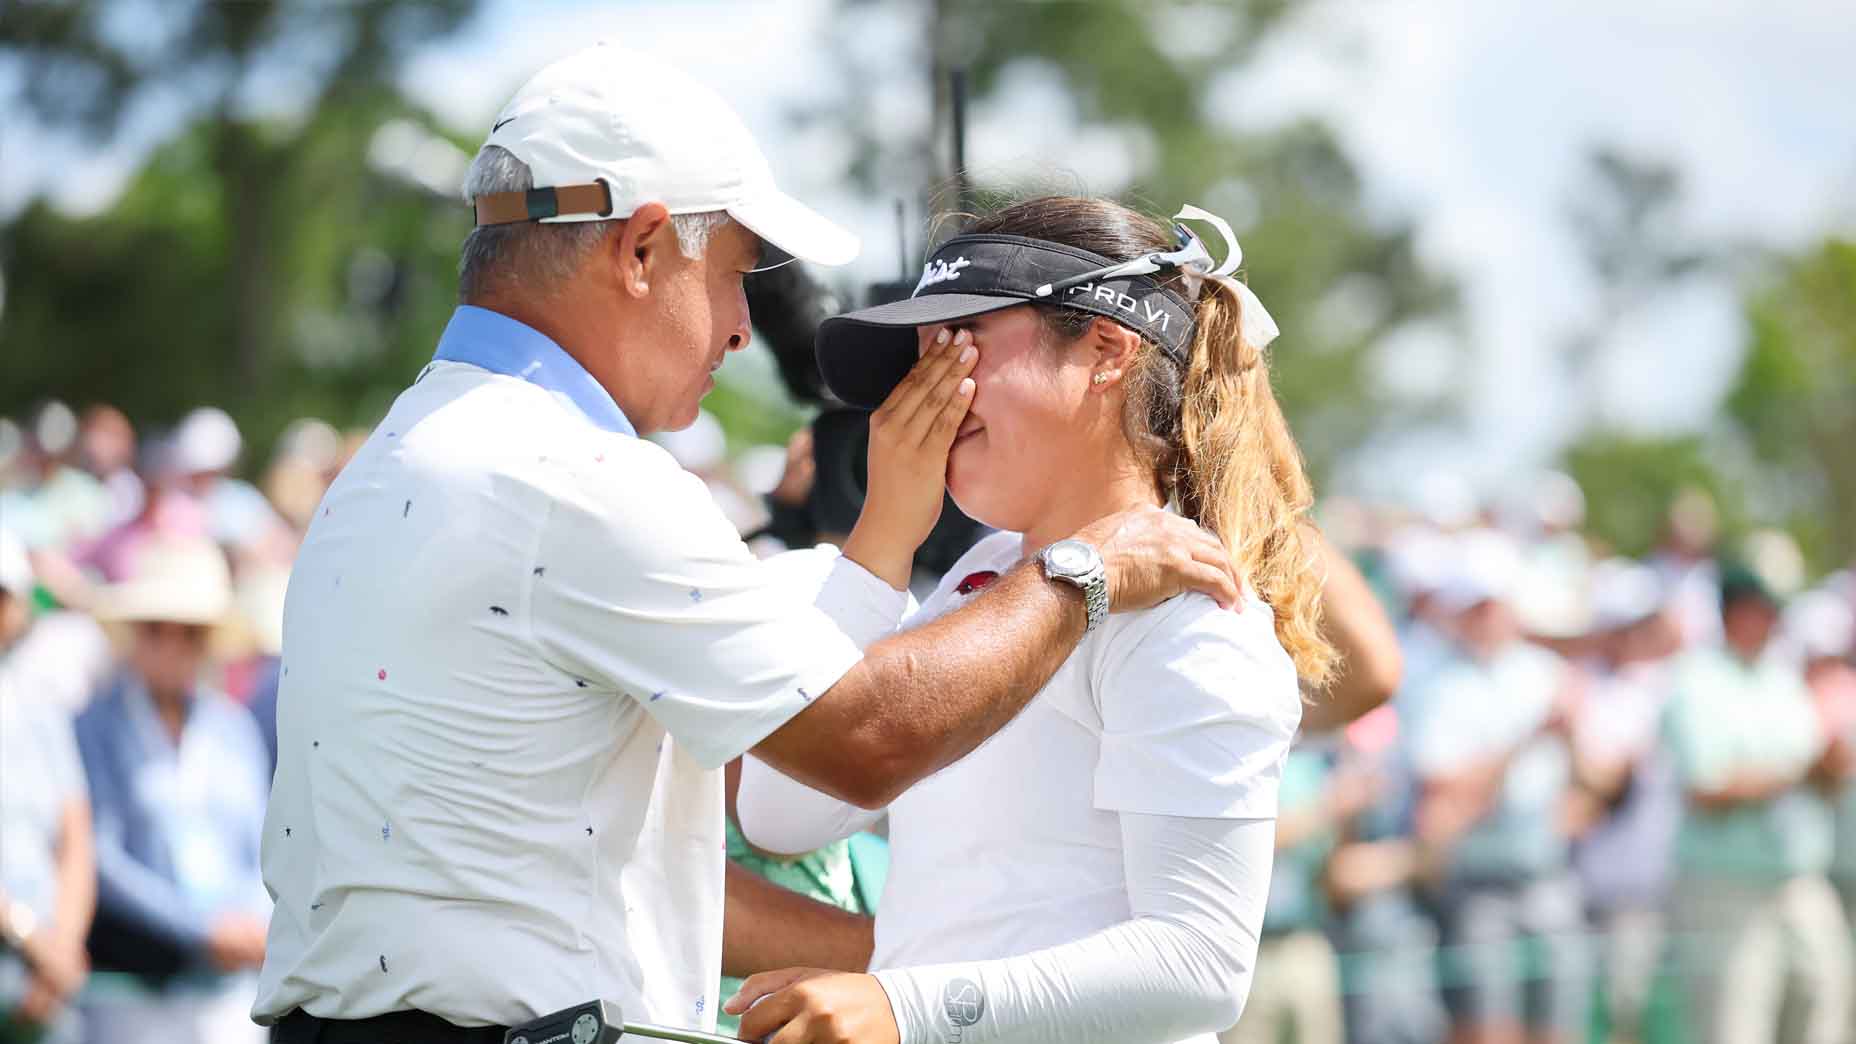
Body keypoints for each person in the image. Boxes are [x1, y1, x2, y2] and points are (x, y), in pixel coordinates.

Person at [252, 46, 1236, 1044]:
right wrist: (1086, 570)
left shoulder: (389, 462)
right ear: (639, 252)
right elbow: (857, 746)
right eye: (733, 278)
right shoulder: (578, 477)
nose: (736, 331)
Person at [730, 194, 1324, 1044]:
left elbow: (1200, 967)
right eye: (919, 355)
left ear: (1107, 350)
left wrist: (903, 1005)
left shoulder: (1193, 615)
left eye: (960, 337)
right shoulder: (985, 573)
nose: (924, 382)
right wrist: (885, 532)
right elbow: (784, 816)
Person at [73, 538, 272, 1044]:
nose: (171, 647)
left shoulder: (233, 729)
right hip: (134, 989)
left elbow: (263, 847)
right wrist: (202, 928)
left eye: (189, 634)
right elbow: (102, 857)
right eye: (157, 631)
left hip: (228, 990)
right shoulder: (94, 728)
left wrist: (249, 924)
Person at [1407, 530, 1589, 1044]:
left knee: (1558, 1023)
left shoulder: (1547, 673)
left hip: (1545, 872)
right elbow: (1441, 793)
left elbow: (1590, 781)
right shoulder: (1439, 687)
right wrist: (1526, 743)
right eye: (1477, 607)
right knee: (1485, 1027)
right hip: (1477, 884)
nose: (1487, 618)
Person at [1662, 565, 1852, 1044]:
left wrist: (1830, 769)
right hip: (1725, 888)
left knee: (1825, 1008)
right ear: (1735, 612)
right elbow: (1706, 789)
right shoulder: (1696, 680)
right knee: (1734, 1028)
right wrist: (1798, 775)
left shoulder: (1782, 679)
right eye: (1763, 611)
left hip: (1799, 878)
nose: (1771, 622)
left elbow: (1815, 774)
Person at [0, 531, 96, 1044]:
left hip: (43, 984)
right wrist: (32, 937)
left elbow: (75, 831)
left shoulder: (37, 697)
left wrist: (63, 941)